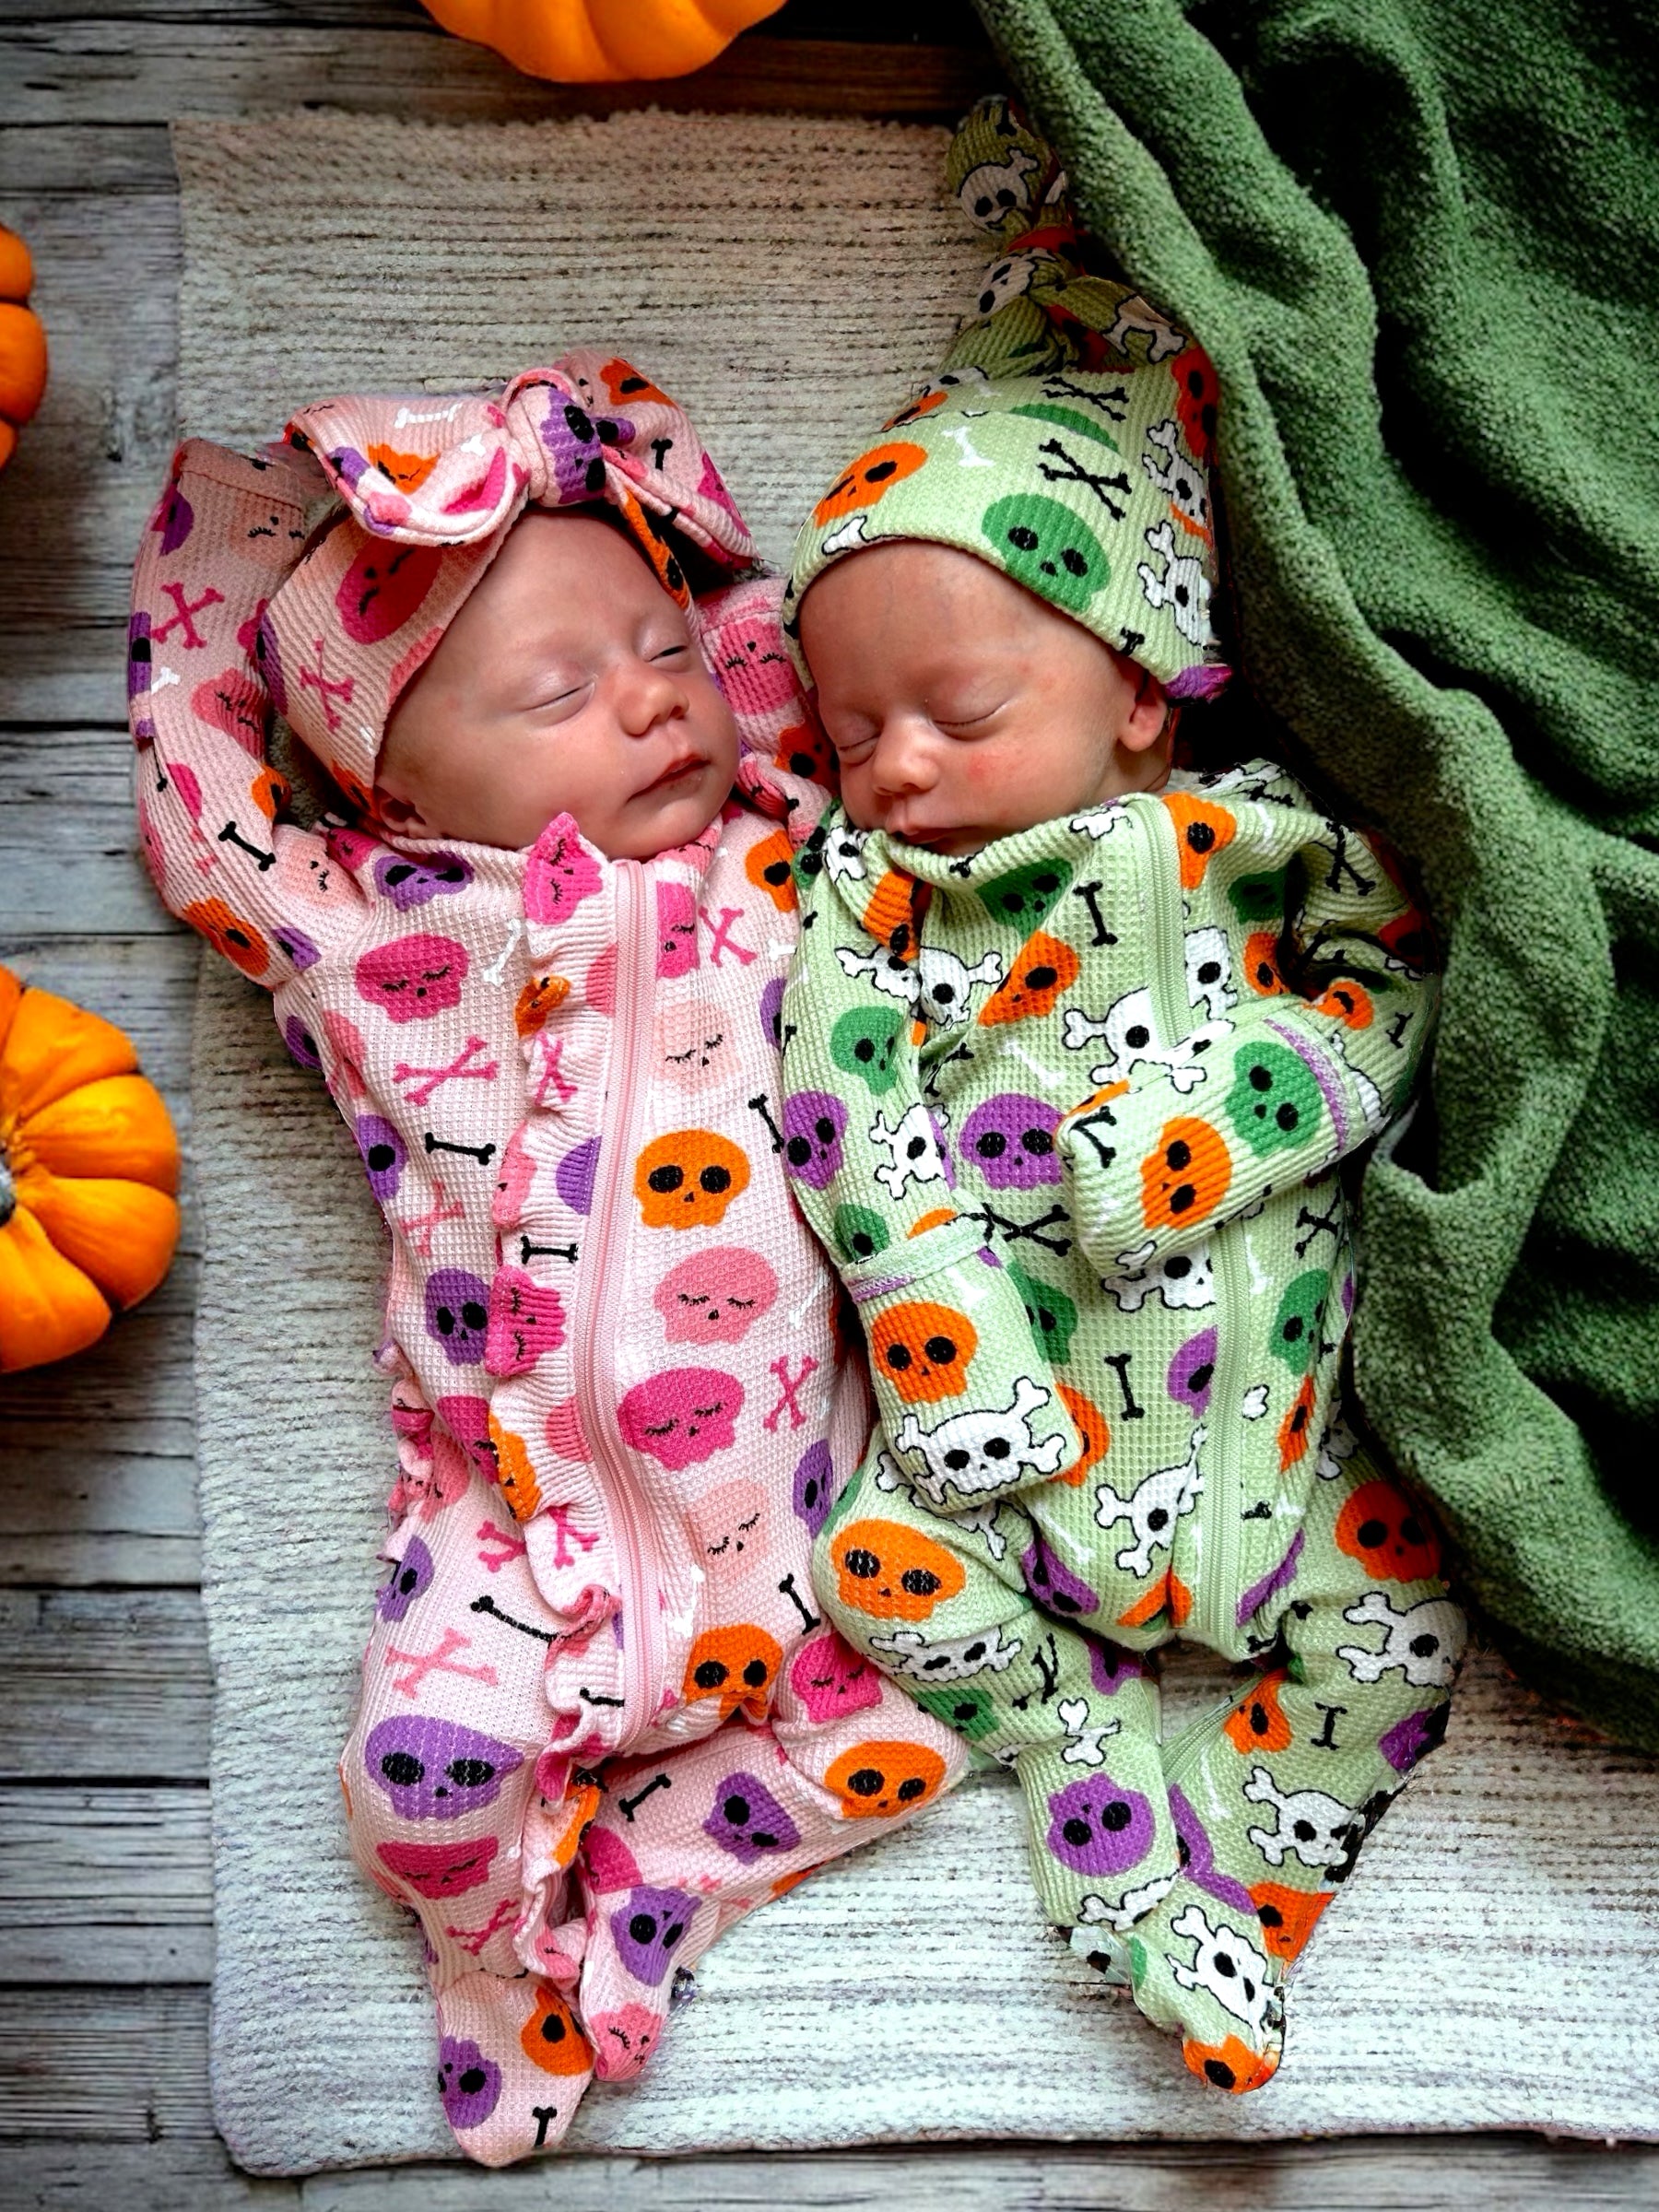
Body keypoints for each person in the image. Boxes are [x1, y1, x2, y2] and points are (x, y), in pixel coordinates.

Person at [128, 355, 963, 2166]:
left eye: (657, 661)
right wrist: (246, 535)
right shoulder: (360, 931)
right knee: (410, 1797)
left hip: (802, 1530)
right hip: (500, 1535)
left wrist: (616, 482)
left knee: (958, 1689)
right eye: (561, 692)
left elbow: (775, 617)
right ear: (395, 780)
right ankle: (511, 1960)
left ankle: (657, 1884)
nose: (651, 706)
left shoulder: (784, 854)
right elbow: (202, 786)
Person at [776, 100, 1465, 2094]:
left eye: (957, 711)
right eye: (847, 730)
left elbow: (1397, 997)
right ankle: (1082, 1768)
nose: (891, 763)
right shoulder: (875, 903)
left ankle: (1227, 1897)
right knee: (878, 1580)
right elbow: (845, 1112)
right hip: (1024, 1418)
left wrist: (1244, 1119)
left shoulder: (1251, 844)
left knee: (1395, 1642)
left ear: (1144, 683)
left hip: (1291, 1421)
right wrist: (940, 1331)